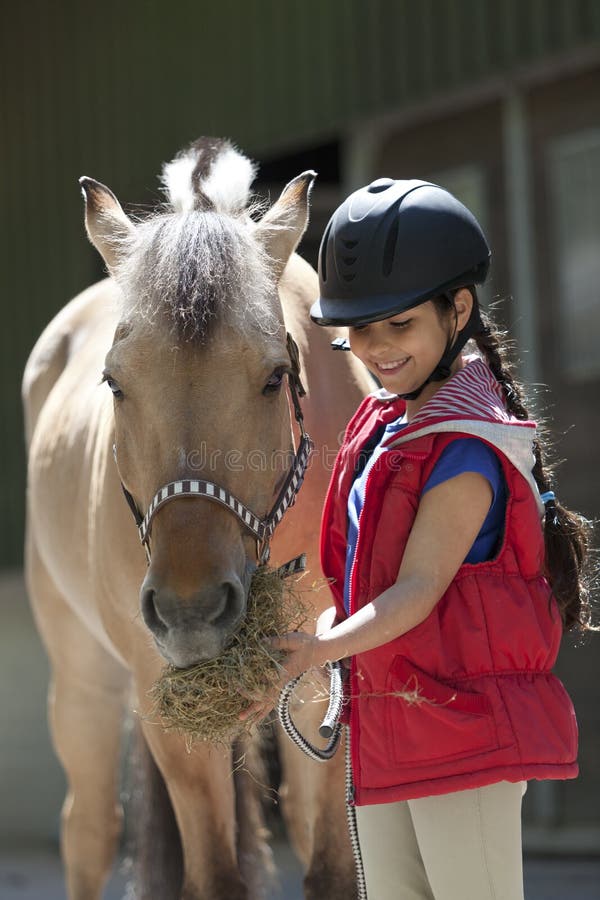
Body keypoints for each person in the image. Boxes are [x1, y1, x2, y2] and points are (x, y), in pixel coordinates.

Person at [265, 178, 595, 900]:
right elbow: (368, 586)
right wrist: (322, 628)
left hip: (462, 737)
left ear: (460, 310)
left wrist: (321, 648)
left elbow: (417, 589)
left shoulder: (465, 447)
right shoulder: (385, 423)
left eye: (399, 325)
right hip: (392, 730)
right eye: (359, 330)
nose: (376, 349)